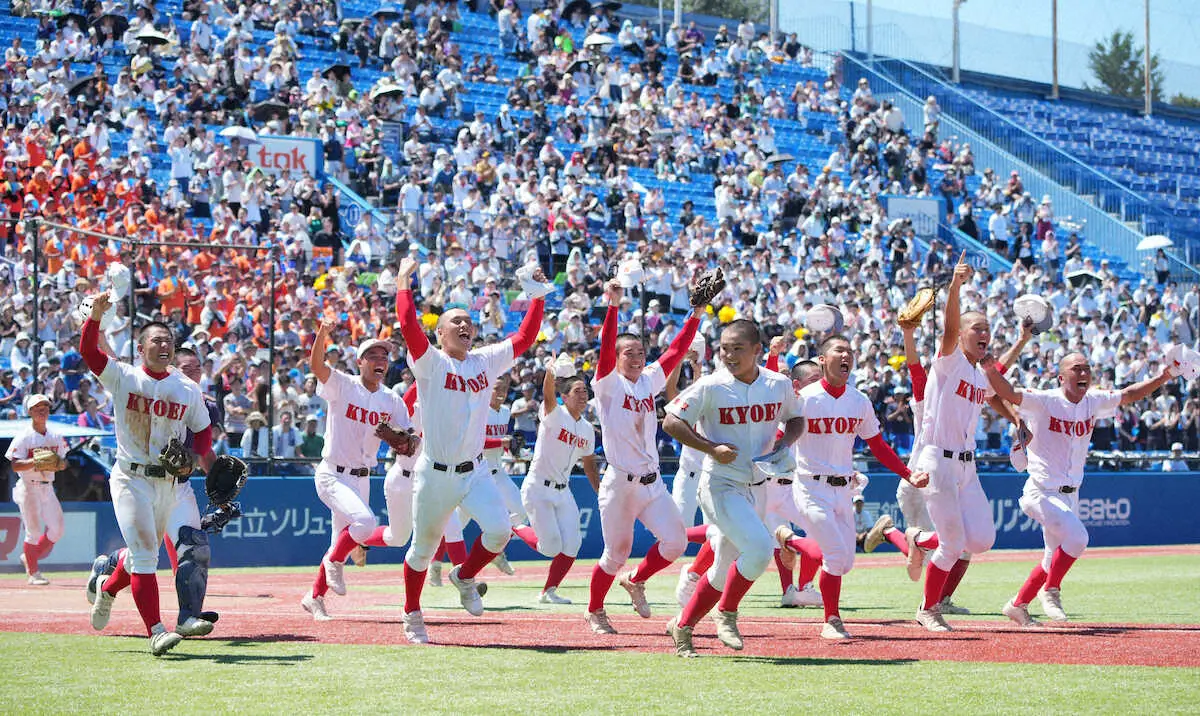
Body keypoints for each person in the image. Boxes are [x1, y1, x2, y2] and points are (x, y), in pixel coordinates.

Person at [392, 256, 548, 645]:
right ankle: (412, 611)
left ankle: (464, 575)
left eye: (469, 321)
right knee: (422, 551)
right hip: (435, 473)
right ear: (441, 333)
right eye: (455, 322)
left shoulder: (484, 360)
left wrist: (538, 297)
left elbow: (525, 339)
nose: (465, 325)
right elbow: (409, 325)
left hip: (474, 471)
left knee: (499, 532)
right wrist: (402, 283)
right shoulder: (430, 362)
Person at [985, 352, 1174, 626]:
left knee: (1052, 557)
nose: (1084, 373)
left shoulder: (1094, 400)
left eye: (1087, 369)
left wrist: (1163, 377)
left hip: (1070, 492)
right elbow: (1009, 392)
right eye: (1077, 369)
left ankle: (1017, 605)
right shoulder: (1044, 400)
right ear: (1062, 377)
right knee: (1078, 539)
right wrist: (990, 369)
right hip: (1041, 491)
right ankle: (1050, 591)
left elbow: (1130, 393)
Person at [82, 294, 215, 657]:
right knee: (144, 556)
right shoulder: (123, 376)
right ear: (140, 348)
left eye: (168, 341)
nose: (164, 345)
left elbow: (203, 430)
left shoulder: (186, 388)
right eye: (156, 340)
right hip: (130, 478)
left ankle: (107, 588)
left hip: (169, 483)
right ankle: (156, 631)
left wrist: (193, 457)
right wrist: (94, 317)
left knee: (141, 555)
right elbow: (90, 354)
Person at [662, 319, 804, 657]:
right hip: (720, 484)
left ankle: (682, 625)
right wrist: (710, 447)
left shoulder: (778, 383)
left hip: (758, 485)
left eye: (737, 348)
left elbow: (796, 418)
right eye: (724, 348)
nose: (729, 354)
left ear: (757, 350)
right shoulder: (711, 385)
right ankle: (726, 612)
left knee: (724, 567)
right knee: (757, 548)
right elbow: (670, 421)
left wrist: (786, 444)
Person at [777, 334, 928, 639]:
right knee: (834, 554)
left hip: (843, 490)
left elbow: (878, 445)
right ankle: (831, 620)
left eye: (850, 351)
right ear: (822, 359)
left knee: (845, 563)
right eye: (839, 350)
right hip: (809, 487)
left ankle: (786, 540)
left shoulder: (858, 401)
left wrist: (907, 473)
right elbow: (779, 439)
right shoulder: (804, 399)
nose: (846, 355)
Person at [585, 278, 701, 635]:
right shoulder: (607, 384)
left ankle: (636, 580)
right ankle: (595, 610)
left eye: (639, 353)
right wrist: (613, 307)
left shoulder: (648, 381)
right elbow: (605, 352)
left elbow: (674, 353)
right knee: (614, 554)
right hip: (620, 484)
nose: (636, 358)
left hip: (652, 483)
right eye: (628, 353)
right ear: (617, 359)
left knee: (676, 542)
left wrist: (695, 315)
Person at [906, 253, 1013, 633]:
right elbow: (949, 328)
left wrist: (1017, 421)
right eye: (977, 328)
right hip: (938, 459)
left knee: (981, 539)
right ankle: (928, 609)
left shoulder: (977, 373)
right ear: (963, 334)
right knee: (952, 545)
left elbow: (999, 385)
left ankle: (919, 540)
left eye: (988, 329)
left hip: (967, 464)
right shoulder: (949, 361)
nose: (985, 333)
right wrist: (955, 287)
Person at [300, 318, 413, 621]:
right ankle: (335, 562)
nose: (380, 361)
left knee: (342, 541)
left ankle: (314, 597)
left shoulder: (391, 399)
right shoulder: (343, 383)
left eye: (384, 357)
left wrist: (406, 441)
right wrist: (322, 335)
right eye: (373, 356)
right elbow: (317, 367)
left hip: (362, 478)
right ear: (360, 362)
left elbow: (410, 437)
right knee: (364, 523)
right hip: (332, 474)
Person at [510, 357, 600, 604]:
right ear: (565, 395)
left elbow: (590, 464)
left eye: (585, 391)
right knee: (550, 547)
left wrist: (599, 491)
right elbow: (548, 393)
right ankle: (514, 528)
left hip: (563, 491)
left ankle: (548, 592)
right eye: (577, 391)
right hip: (538, 487)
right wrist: (550, 371)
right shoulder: (554, 413)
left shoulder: (587, 429)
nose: (583, 395)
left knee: (572, 545)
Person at [6, 393, 67, 585]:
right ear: (30, 412)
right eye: (37, 408)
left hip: (47, 487)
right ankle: (33, 573)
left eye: (45, 407)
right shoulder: (24, 437)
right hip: (28, 487)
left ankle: (29, 557)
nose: (42, 410)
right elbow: (15, 465)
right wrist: (36, 461)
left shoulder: (55, 436)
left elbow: (64, 462)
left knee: (57, 530)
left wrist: (59, 464)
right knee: (33, 531)